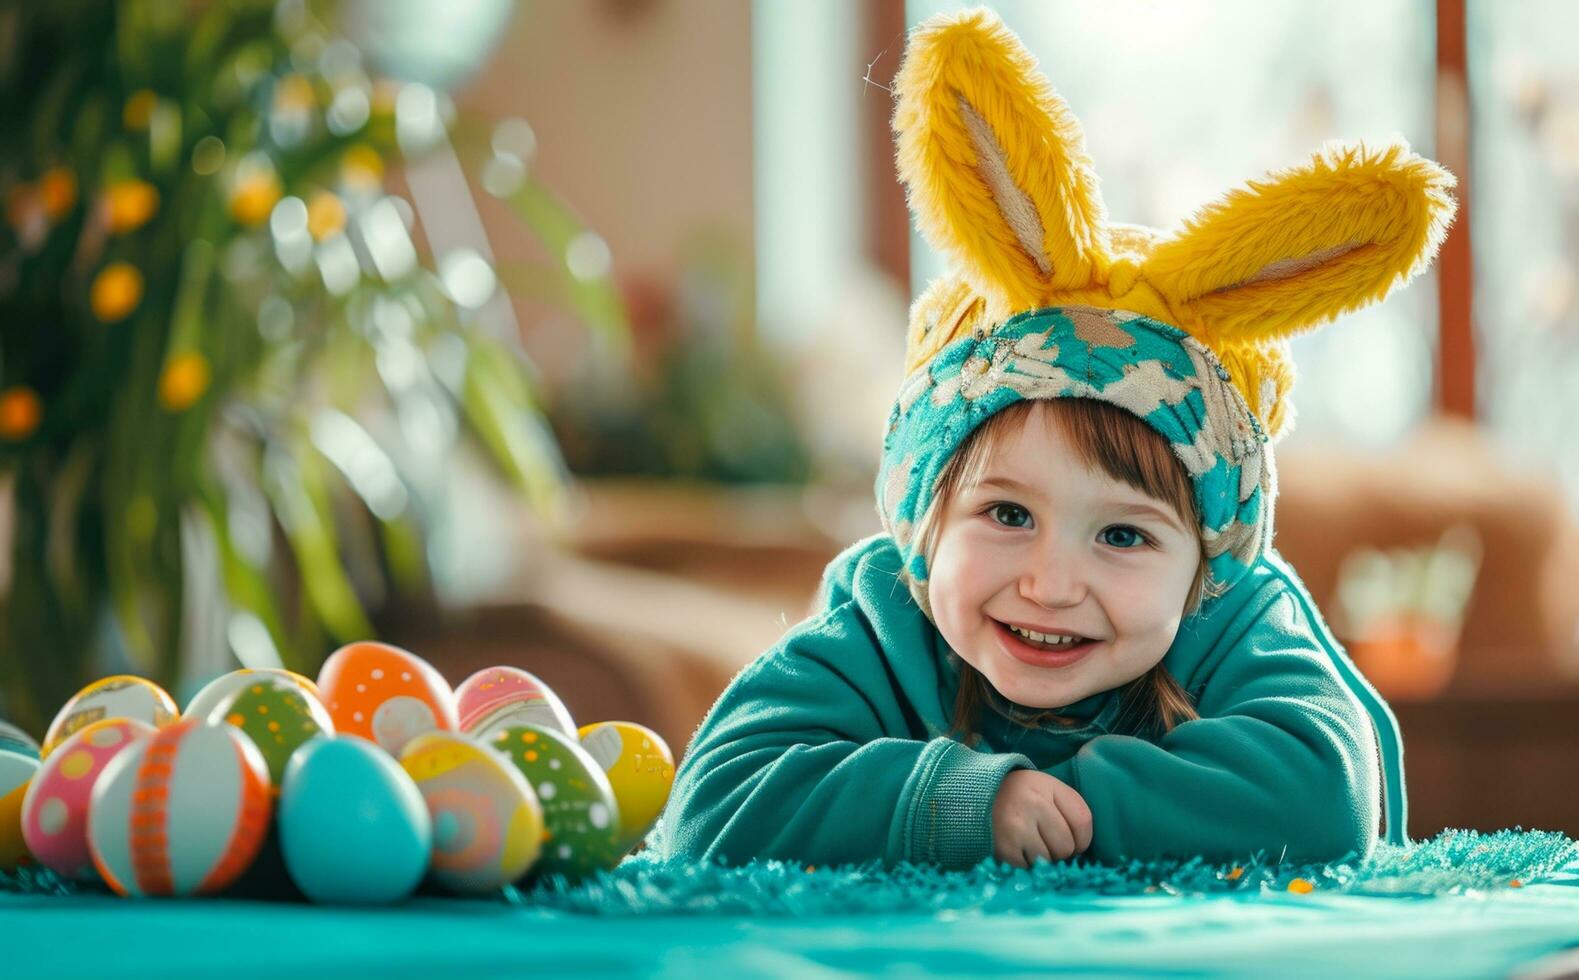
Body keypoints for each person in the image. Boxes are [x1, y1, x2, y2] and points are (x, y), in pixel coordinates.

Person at [649, 6, 1455, 870]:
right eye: (1004, 515)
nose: (1050, 584)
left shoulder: (1231, 616)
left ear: (1205, 563)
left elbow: (1322, 796)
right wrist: (963, 805)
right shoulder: (886, 615)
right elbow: (709, 809)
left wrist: (1062, 811)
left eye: (1120, 535)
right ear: (921, 520)